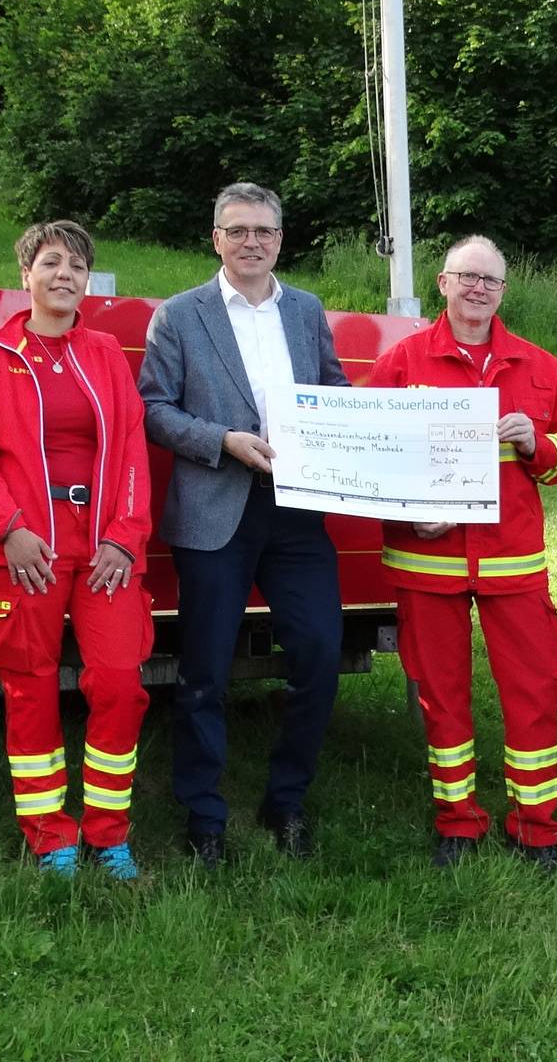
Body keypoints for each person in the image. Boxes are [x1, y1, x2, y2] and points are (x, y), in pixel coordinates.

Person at [138, 182, 351, 867]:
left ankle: (286, 801)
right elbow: (154, 408)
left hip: (295, 509)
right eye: (237, 231)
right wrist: (222, 440)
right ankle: (204, 815)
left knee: (319, 653)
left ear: (281, 240)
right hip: (214, 506)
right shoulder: (179, 316)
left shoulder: (308, 311)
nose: (251, 241)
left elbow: (333, 391)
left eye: (263, 230)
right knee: (204, 669)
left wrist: (367, 424)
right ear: (216, 240)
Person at [366, 236, 557, 872]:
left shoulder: (538, 366)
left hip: (512, 565)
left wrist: (540, 447)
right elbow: (369, 456)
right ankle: (457, 822)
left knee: (534, 692)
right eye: (467, 277)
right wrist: (409, 513)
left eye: (490, 281)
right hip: (427, 564)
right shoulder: (404, 361)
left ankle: (536, 828)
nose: (478, 289)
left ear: (503, 292)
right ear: (442, 283)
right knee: (442, 697)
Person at [0, 220, 156, 880]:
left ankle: (108, 833)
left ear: (86, 283)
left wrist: (126, 534)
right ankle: (50, 839)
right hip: (26, 550)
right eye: (52, 262)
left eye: (77, 266)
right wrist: (8, 528)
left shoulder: (103, 354)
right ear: (26, 276)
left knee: (120, 683)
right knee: (31, 688)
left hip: (103, 550)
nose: (64, 274)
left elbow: (129, 450)